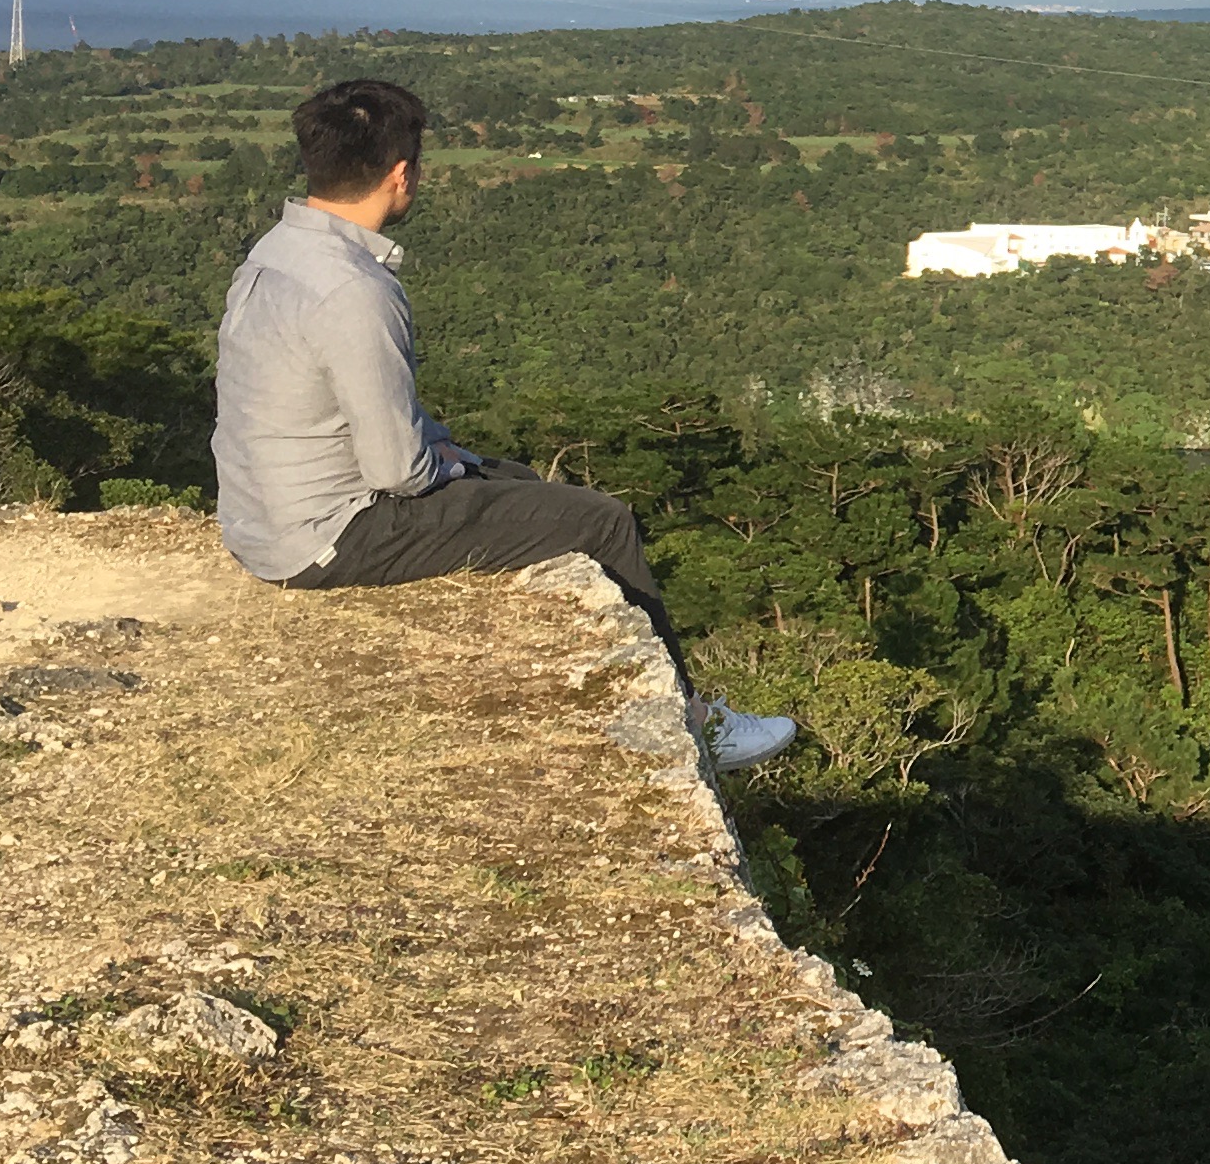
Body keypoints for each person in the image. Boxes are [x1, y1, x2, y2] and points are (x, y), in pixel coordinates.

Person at [212, 75, 793, 772]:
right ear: (401, 174)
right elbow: (397, 470)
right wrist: (447, 463)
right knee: (602, 521)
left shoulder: (276, 252)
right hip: (329, 536)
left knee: (513, 480)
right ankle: (694, 723)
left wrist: (454, 456)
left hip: (260, 519)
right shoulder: (355, 290)